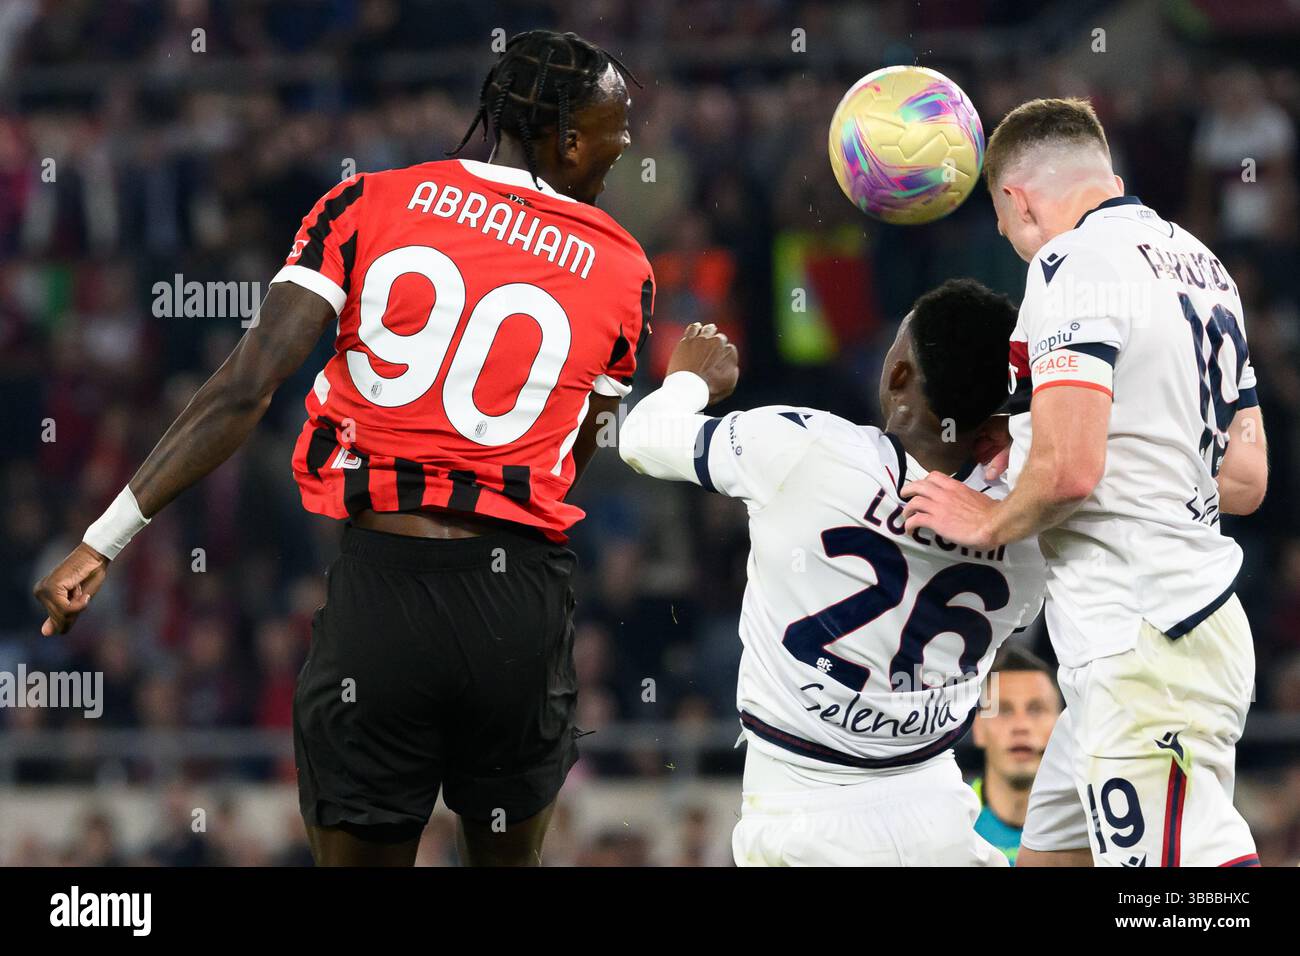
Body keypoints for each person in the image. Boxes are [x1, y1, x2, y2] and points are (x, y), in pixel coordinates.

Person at [33, 30, 653, 867]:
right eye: (619, 126)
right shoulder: (623, 268)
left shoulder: (367, 202)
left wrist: (100, 542)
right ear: (570, 141)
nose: (627, 143)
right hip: (517, 611)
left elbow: (245, 386)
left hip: (382, 598)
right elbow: (568, 462)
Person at [901, 98, 1267, 867]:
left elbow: (1071, 471)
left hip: (1141, 636)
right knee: (1048, 857)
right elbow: (1244, 477)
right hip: (1177, 625)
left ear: (1018, 200)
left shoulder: (1071, 263)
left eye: (1004, 224)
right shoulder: (1204, 268)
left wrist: (986, 518)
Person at [619, 280, 1046, 866]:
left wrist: (689, 381)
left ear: (898, 376)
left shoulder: (804, 447)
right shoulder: (1033, 526)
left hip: (801, 819)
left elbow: (641, 438)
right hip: (942, 821)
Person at [970, 644, 1062, 865]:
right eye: (1004, 710)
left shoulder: (1094, 827)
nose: (1021, 726)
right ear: (978, 729)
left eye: (1036, 709)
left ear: (1062, 725)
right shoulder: (948, 821)